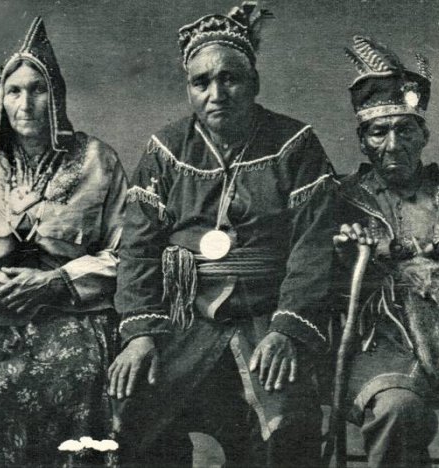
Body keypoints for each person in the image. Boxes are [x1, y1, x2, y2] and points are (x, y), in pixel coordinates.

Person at [108, 3, 334, 466]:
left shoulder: (295, 145)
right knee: (135, 408)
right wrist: (141, 335)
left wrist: (286, 330)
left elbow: (313, 248)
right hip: (185, 320)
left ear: (254, 83)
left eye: (230, 79)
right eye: (201, 82)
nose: (216, 94)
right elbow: (138, 250)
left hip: (267, 317)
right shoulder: (166, 150)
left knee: (286, 423)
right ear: (189, 89)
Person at [0, 17, 127, 466]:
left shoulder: (98, 160)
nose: (25, 103)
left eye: (38, 90)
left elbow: (124, 252)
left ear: (57, 97)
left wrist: (57, 282)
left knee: (74, 376)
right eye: (14, 91)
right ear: (1, 100)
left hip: (72, 314)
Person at [296, 36, 439, 467]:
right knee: (398, 411)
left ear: (424, 134)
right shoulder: (337, 199)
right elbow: (307, 276)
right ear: (362, 140)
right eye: (379, 132)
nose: (393, 144)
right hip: (380, 347)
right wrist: (343, 254)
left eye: (405, 130)